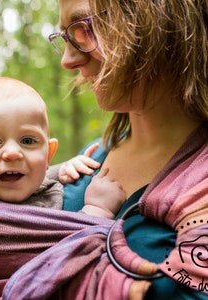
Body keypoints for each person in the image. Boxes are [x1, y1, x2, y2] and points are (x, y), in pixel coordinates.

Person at [44, 0, 208, 299]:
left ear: (160, 16)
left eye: (84, 30)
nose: (67, 61)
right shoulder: (87, 160)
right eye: (66, 37)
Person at [0, 77, 126, 299]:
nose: (12, 153)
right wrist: (98, 210)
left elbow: (38, 176)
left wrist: (64, 169)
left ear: (48, 154)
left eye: (28, 141)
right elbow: (60, 258)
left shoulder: (24, 180)